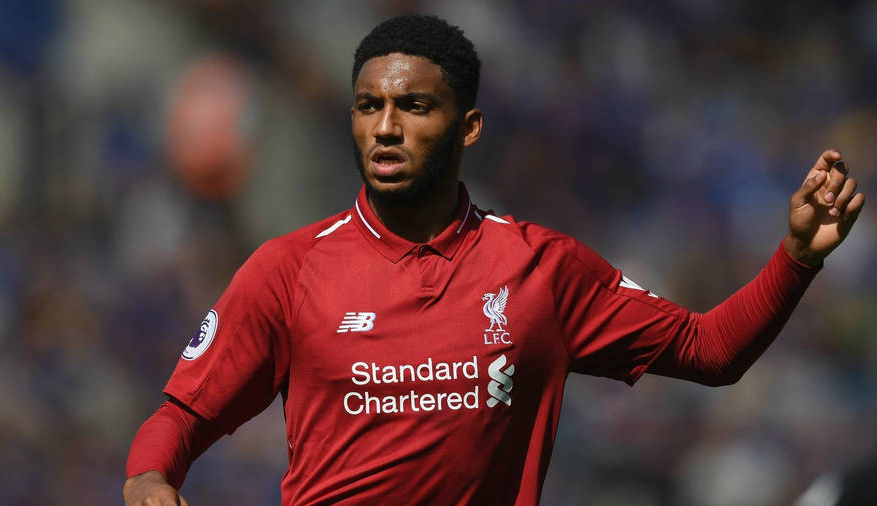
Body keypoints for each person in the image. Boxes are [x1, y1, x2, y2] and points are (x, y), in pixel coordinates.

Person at [123, 14, 865, 506]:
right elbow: (183, 415)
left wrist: (796, 258)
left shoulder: (542, 267)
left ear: (468, 126)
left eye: (414, 107)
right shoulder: (288, 270)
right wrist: (147, 480)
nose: (386, 127)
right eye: (368, 106)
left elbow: (710, 350)